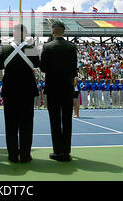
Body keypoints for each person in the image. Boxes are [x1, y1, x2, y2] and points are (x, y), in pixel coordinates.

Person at [0, 24, 40, 163]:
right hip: (27, 90)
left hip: (10, 90)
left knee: (10, 125)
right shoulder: (31, 48)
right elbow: (37, 64)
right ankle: (26, 155)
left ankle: (13, 155)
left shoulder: (5, 48)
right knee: (27, 124)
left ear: (13, 33)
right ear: (25, 34)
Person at [40, 21, 77, 162]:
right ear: (64, 31)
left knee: (55, 120)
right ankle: (66, 152)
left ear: (53, 32)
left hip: (53, 88)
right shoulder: (72, 47)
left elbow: (43, 68)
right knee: (67, 120)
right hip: (67, 88)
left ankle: (57, 151)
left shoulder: (47, 47)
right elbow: (74, 69)